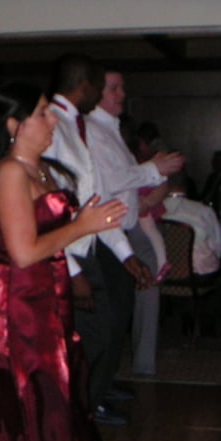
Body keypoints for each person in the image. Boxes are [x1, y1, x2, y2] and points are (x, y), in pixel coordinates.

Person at [0, 82, 126, 441]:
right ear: (14, 125)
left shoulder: (39, 169)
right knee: (30, 417)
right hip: (17, 312)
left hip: (47, 303)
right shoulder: (8, 173)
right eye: (42, 113)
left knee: (57, 408)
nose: (53, 119)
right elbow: (22, 253)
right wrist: (82, 226)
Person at [44, 54, 152, 425]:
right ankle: (72, 411)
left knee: (99, 332)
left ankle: (79, 411)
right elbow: (46, 210)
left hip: (87, 245)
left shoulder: (76, 126)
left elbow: (92, 200)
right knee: (92, 334)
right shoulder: (53, 126)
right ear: (86, 86)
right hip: (64, 252)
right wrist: (72, 270)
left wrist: (125, 254)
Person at [87, 70, 184, 382]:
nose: (122, 94)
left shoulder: (111, 130)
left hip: (122, 233)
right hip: (105, 237)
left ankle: (107, 382)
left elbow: (125, 182)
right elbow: (110, 181)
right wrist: (153, 169)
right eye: (114, 88)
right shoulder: (92, 130)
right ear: (95, 92)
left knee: (121, 312)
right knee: (109, 316)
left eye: (122, 87)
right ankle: (97, 390)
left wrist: (153, 174)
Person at [161, 173, 221, 276]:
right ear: (186, 186)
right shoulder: (203, 211)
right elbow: (219, 242)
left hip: (163, 273)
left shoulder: (154, 212)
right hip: (200, 272)